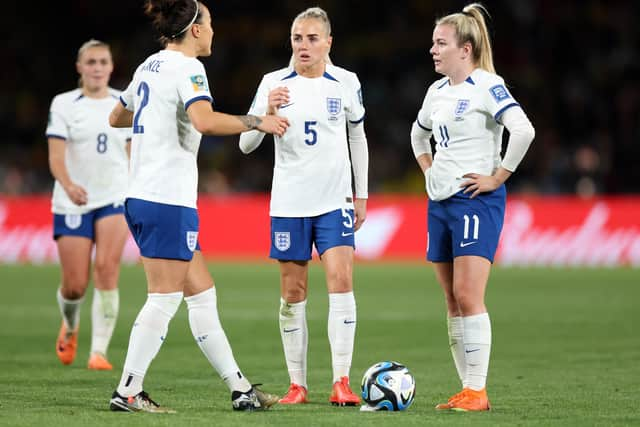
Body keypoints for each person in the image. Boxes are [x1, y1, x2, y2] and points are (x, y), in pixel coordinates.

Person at [106, 0, 289, 413]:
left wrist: (154, 127)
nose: (213, 31)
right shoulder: (190, 68)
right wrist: (256, 120)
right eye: (209, 24)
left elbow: (118, 116)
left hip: (144, 194)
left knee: (202, 294)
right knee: (164, 298)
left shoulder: (148, 65)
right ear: (194, 29)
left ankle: (241, 390)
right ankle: (128, 390)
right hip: (166, 197)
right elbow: (204, 120)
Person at [239, 7, 368, 407]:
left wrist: (360, 194)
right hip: (290, 203)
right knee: (293, 292)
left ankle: (341, 381)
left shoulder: (346, 82)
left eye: (312, 38)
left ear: (328, 42)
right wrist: (265, 116)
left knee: (340, 281)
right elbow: (245, 146)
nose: (304, 45)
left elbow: (358, 138)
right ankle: (297, 385)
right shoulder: (272, 83)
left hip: (334, 201)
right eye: (297, 38)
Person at [410, 3, 535, 412]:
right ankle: (466, 388)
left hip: (475, 201)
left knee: (468, 293)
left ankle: (478, 390)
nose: (433, 49)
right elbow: (418, 134)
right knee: (451, 298)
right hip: (440, 201)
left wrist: (498, 176)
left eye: (440, 43)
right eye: (433, 42)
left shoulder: (487, 85)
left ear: (465, 49)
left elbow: (523, 129)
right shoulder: (437, 91)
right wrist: (429, 169)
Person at [46, 39, 131, 371]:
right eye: (91, 62)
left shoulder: (122, 103)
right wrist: (68, 185)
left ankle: (99, 352)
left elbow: (130, 153)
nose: (97, 68)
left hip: (114, 196)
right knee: (75, 285)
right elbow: (55, 156)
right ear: (80, 67)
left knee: (107, 271)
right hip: (72, 200)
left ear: (111, 67)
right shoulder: (65, 104)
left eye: (103, 62)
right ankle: (70, 323)